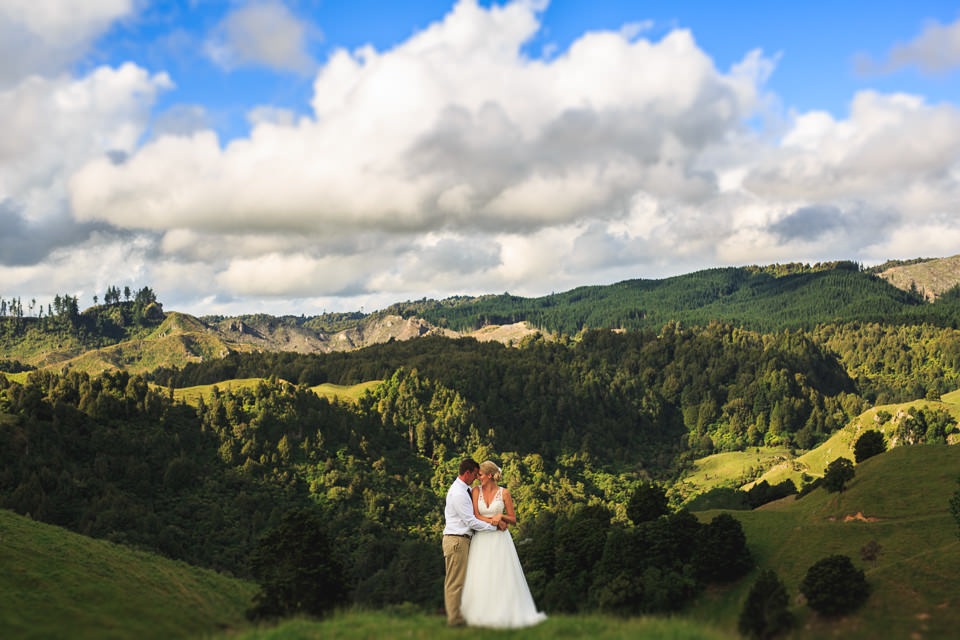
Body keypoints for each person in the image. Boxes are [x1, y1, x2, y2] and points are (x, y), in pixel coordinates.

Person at [460, 460, 547, 628]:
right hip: (482, 538)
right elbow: (476, 515)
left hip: (500, 540)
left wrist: (502, 517)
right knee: (482, 574)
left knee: (501, 574)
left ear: (490, 475)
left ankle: (504, 612)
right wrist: (494, 521)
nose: (478, 478)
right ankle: (480, 615)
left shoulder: (504, 493)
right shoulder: (476, 491)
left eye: (480, 475)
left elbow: (513, 519)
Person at [443, 457, 500, 627]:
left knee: (462, 581)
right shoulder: (459, 493)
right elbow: (471, 521)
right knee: (456, 582)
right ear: (467, 473)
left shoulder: (464, 489)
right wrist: (493, 528)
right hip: (457, 541)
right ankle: (455, 621)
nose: (476, 477)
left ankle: (461, 617)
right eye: (475, 474)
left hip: (462, 540)